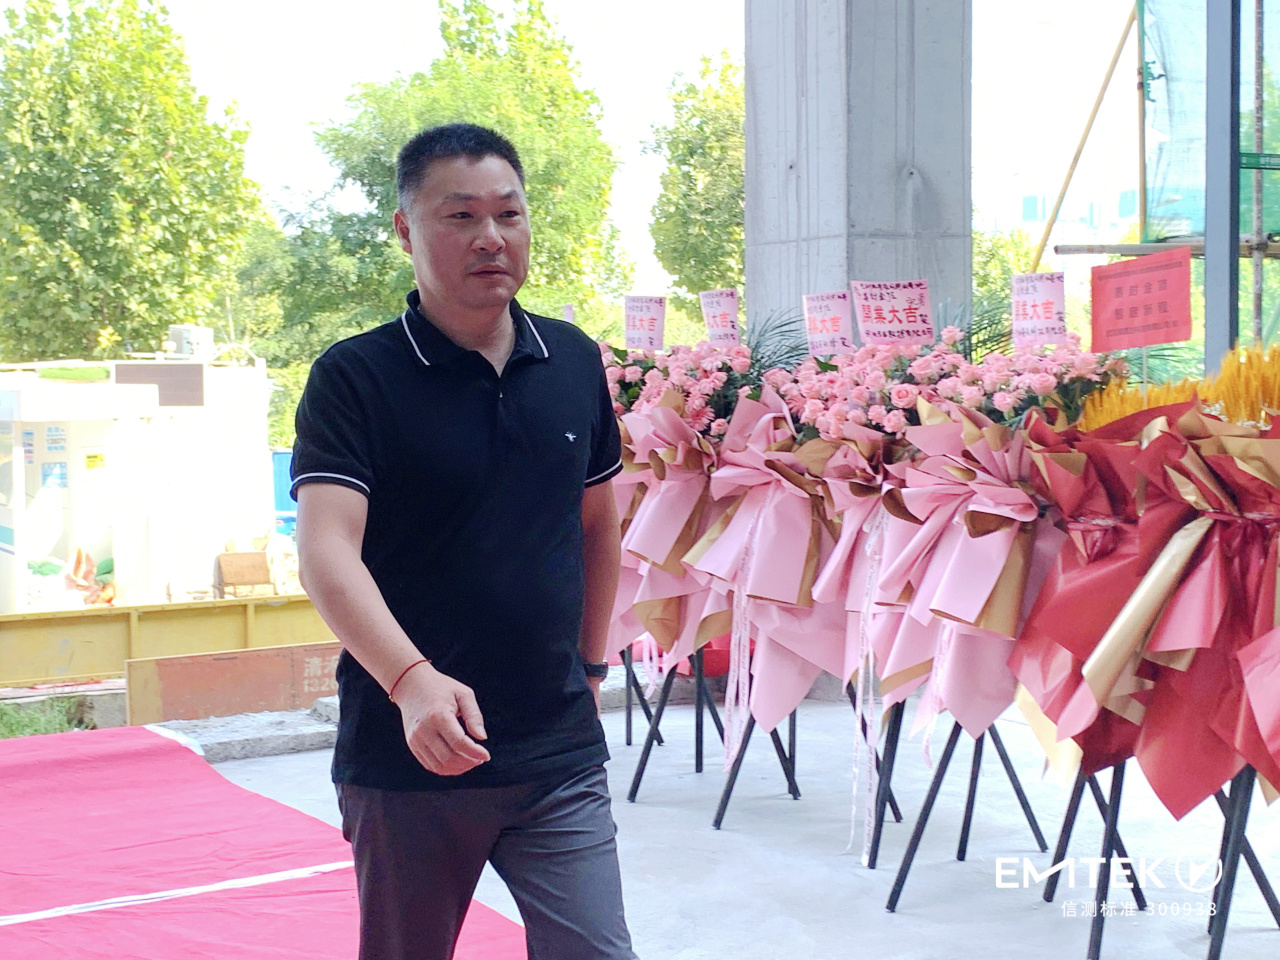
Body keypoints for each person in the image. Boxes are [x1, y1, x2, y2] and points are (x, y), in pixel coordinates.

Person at [291, 122, 636, 960]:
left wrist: (592, 665)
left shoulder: (571, 360)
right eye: (461, 216)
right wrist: (410, 681)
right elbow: (326, 551)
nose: (491, 237)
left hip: (556, 748)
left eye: (509, 214)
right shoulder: (355, 377)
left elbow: (597, 524)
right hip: (408, 752)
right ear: (406, 229)